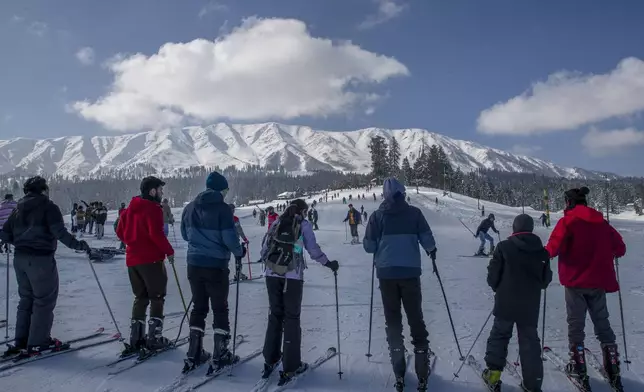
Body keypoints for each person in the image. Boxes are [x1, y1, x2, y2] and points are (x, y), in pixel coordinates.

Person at [545, 187, 626, 390]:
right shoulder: (601, 222)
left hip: (575, 282)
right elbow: (621, 248)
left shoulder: (568, 222)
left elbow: (552, 248)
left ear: (569, 202)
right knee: (602, 323)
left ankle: (578, 366)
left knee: (576, 324)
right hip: (598, 281)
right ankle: (612, 366)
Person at [0, 176, 89, 357]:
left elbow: (5, 234)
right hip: (40, 259)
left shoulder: (17, 209)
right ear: (42, 190)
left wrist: (19, 239)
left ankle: (22, 340)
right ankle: (38, 342)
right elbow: (60, 233)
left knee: (26, 299)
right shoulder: (49, 207)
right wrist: (79, 245)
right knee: (44, 300)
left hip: (20, 259)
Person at [363, 178, 436, 391]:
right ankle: (422, 370)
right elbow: (428, 241)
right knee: (416, 318)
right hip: (410, 273)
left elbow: (369, 247)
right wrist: (431, 250)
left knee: (393, 321)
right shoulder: (415, 214)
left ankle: (399, 370)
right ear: (402, 193)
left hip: (386, 275)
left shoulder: (377, 216)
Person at [260, 199, 338, 385]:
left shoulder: (277, 222)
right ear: (302, 211)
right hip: (292, 276)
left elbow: (264, 247)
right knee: (292, 318)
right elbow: (312, 249)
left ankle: (270, 358)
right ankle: (291, 365)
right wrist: (328, 263)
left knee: (275, 315)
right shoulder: (303, 224)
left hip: (271, 273)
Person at [180, 172, 245, 371]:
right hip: (216, 265)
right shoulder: (223, 209)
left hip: (194, 263)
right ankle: (221, 353)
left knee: (199, 307)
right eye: (225, 190)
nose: (226, 194)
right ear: (220, 190)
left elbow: (184, 234)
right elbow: (230, 239)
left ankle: (194, 351)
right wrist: (239, 251)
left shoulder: (190, 207)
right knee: (220, 308)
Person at [482, 214, 552, 392]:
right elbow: (545, 281)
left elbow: (493, 276)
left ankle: (494, 374)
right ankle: (533, 383)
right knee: (530, 343)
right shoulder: (542, 252)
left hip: (506, 302)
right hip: (529, 305)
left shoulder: (504, 247)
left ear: (514, 228)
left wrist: (498, 287)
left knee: (499, 336)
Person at [116, 176, 175, 356]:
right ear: (152, 191)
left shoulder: (129, 210)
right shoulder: (153, 209)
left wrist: (133, 243)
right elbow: (156, 234)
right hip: (151, 261)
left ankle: (136, 338)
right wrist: (169, 251)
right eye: (160, 190)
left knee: (140, 297)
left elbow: (119, 231)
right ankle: (154, 338)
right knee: (157, 297)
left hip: (132, 261)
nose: (162, 193)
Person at [229, 203, 249, 281]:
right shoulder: (235, 219)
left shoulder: (222, 218)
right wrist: (245, 239)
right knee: (238, 256)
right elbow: (239, 230)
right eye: (232, 209)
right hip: (234, 241)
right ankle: (238, 274)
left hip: (223, 241)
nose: (233, 211)